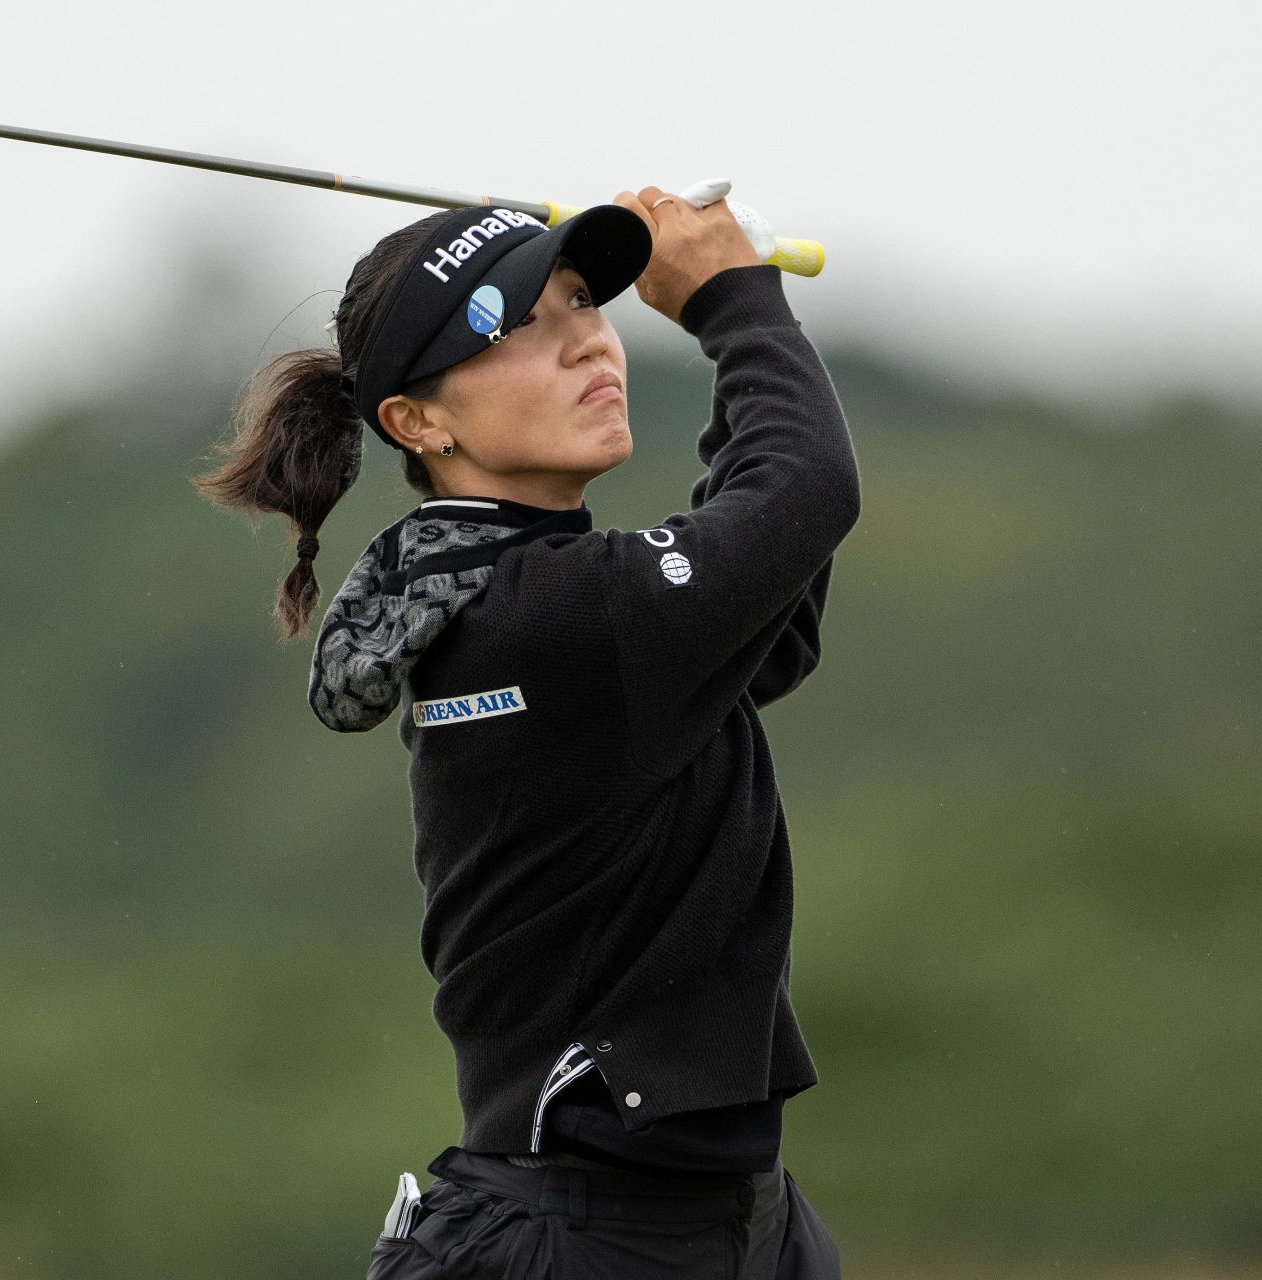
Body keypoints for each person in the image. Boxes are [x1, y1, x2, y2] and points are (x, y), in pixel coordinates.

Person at [192, 185, 859, 1278]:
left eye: (585, 302)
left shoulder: (519, 602)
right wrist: (736, 303)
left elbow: (773, 556)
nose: (589, 340)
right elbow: (805, 488)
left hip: (715, 1224)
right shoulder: (559, 618)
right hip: (584, 1235)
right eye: (523, 327)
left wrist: (740, 330)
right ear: (418, 421)